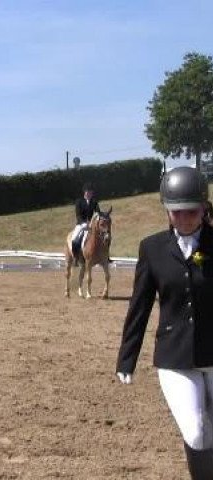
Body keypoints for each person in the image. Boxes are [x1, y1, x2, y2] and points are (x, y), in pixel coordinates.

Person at [116, 166, 213, 479]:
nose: (183, 219)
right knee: (197, 432)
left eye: (191, 212)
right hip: (175, 357)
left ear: (204, 208)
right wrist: (126, 358)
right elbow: (140, 305)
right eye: (175, 212)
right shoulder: (152, 248)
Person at [70, 182, 101, 263]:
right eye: (88, 192)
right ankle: (76, 257)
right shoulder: (79, 201)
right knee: (74, 239)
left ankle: (105, 256)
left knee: (103, 237)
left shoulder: (94, 202)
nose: (90, 194)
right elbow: (78, 215)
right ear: (85, 192)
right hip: (81, 224)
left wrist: (98, 218)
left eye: (91, 192)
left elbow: (98, 212)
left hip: (91, 224)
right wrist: (84, 223)